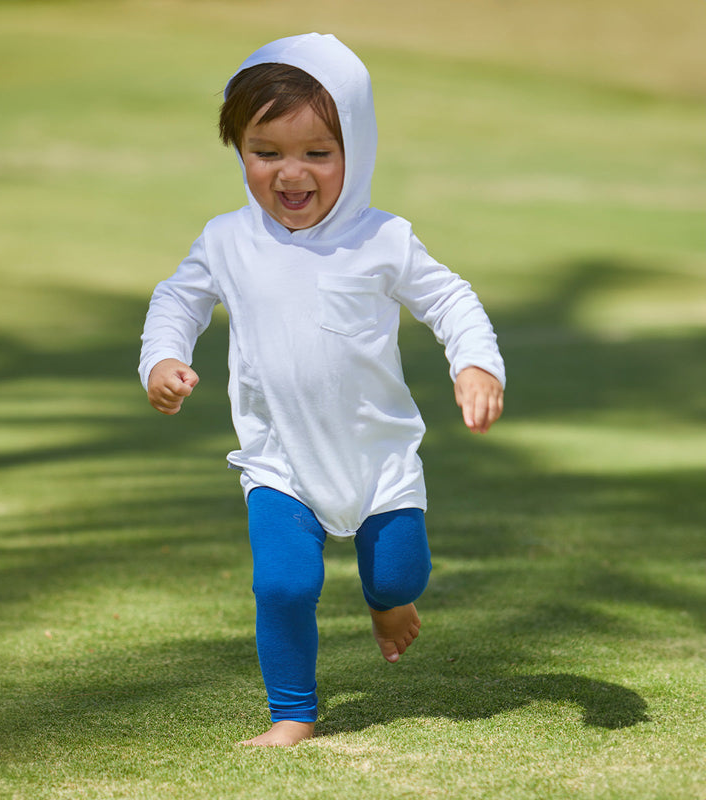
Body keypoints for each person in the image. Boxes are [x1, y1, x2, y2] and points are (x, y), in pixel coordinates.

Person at [139, 33, 505, 747]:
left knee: (401, 575)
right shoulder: (227, 239)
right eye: (265, 152)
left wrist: (476, 363)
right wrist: (162, 360)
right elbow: (176, 301)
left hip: (377, 460)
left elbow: (451, 301)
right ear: (238, 150)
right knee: (283, 586)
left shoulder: (383, 240)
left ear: (357, 151)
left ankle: (384, 599)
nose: (290, 173)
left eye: (317, 154)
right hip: (280, 461)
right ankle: (292, 716)